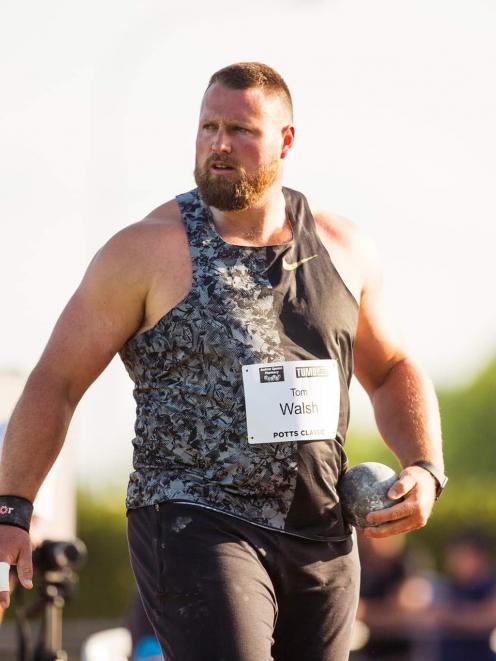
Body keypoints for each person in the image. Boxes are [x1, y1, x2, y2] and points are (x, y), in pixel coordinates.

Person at [0, 62, 446, 661]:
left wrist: (424, 465)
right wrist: (11, 509)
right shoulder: (145, 250)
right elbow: (55, 382)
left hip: (321, 535)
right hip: (195, 524)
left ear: (285, 141)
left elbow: (392, 369)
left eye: (240, 130)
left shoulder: (342, 248)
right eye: (208, 126)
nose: (219, 144)